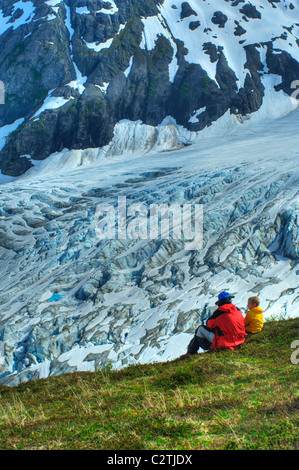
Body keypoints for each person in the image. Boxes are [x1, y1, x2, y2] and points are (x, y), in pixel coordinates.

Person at [180, 291, 247, 358]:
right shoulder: (238, 310)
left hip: (226, 343)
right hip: (240, 340)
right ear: (229, 300)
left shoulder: (218, 313)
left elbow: (209, 325)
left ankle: (191, 352)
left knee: (200, 329)